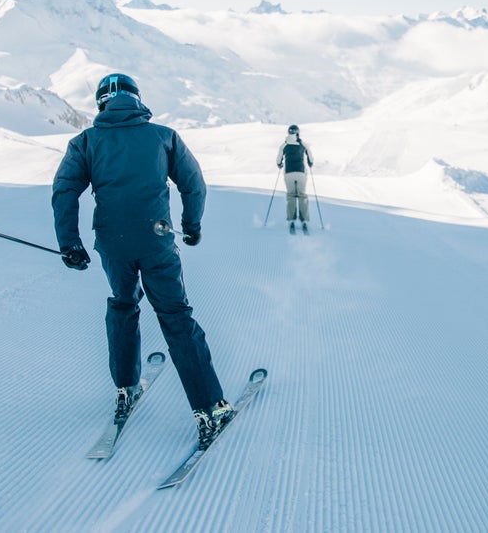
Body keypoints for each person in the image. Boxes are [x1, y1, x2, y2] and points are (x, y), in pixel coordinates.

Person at [51, 73, 231, 448]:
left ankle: (125, 387)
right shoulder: (163, 136)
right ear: (136, 99)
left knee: (123, 304)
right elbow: (193, 182)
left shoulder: (85, 142)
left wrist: (70, 242)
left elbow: (65, 190)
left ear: (101, 103)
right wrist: (191, 225)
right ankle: (210, 408)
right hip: (157, 239)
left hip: (112, 244)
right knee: (175, 316)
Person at [275, 124, 314, 234]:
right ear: (298, 133)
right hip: (301, 173)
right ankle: (304, 220)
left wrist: (280, 165)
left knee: (291, 195)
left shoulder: (284, 145)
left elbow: (278, 160)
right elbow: (310, 157)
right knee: (302, 195)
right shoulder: (303, 144)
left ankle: (291, 219)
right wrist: (310, 163)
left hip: (289, 173)